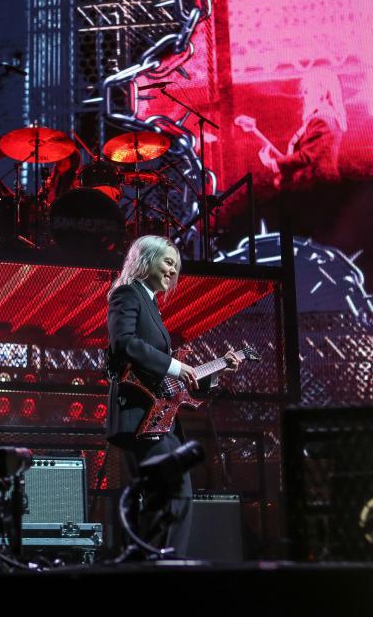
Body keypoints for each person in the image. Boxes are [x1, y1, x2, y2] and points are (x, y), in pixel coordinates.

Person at [105, 235, 239, 556]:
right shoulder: (127, 294)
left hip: (161, 422)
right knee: (176, 493)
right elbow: (124, 343)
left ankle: (149, 563)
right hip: (141, 419)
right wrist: (177, 366)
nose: (173, 271)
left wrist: (215, 371)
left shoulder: (150, 304)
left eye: (176, 266)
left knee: (164, 500)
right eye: (168, 261)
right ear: (145, 260)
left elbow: (169, 379)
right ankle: (168, 567)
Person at [236, 68, 346, 192]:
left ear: (323, 92)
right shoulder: (325, 119)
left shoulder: (323, 120)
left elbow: (306, 157)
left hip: (318, 191)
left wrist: (273, 164)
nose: (304, 95)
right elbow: (304, 157)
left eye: (307, 90)